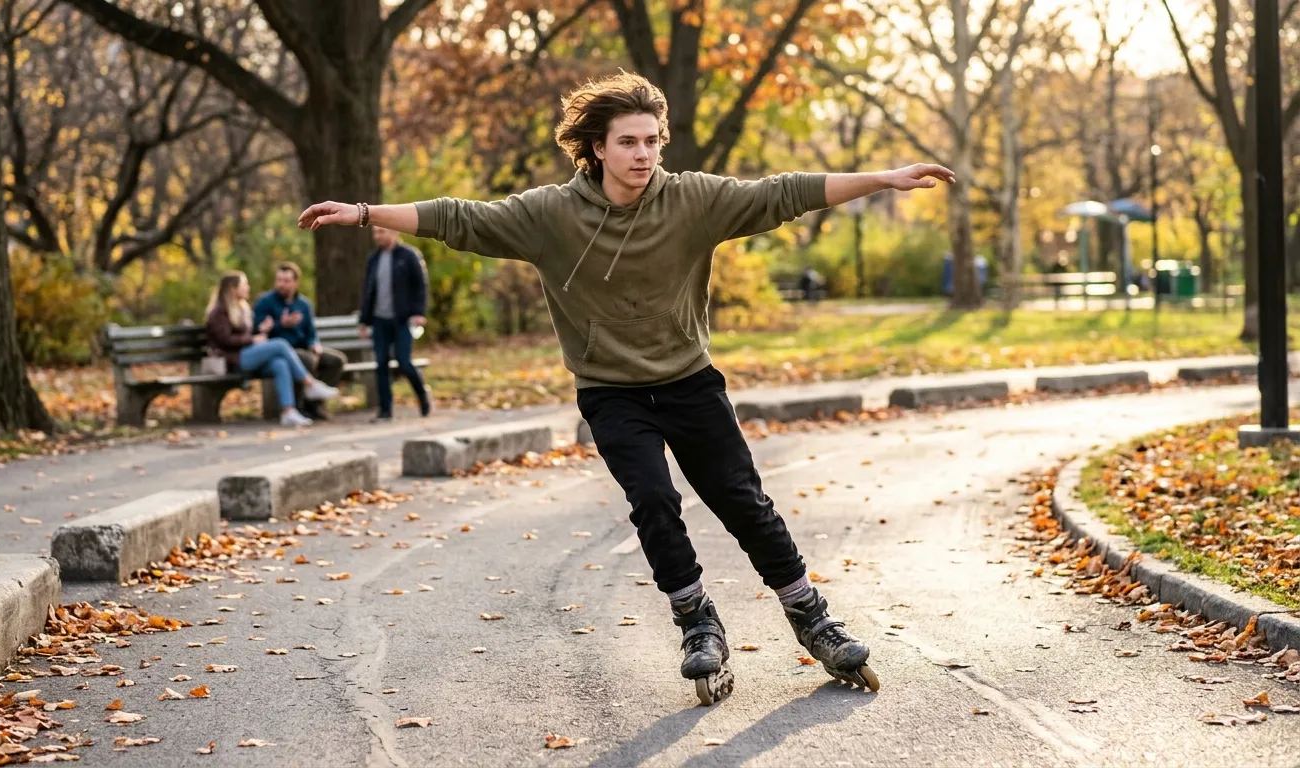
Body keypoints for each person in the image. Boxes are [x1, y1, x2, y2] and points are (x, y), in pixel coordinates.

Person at [298, 72, 953, 702]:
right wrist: (362, 214)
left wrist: (882, 180)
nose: (644, 155)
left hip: (689, 382)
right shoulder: (550, 215)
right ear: (596, 149)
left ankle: (811, 616)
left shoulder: (692, 199)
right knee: (653, 500)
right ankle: (697, 620)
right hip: (611, 392)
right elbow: (458, 218)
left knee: (741, 500)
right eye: (629, 142)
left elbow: (782, 192)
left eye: (652, 141)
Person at [205, 271, 339, 427]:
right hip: (233, 360)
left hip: (246, 356)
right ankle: (310, 384)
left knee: (279, 364)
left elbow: (249, 333)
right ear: (233, 289)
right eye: (244, 284)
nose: (248, 287)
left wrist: (262, 329)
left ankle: (288, 411)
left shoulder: (242, 309)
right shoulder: (219, 312)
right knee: (280, 344)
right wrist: (253, 339)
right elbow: (225, 340)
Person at [252, 262, 347, 420]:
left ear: (296, 282)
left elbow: (311, 331)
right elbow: (257, 329)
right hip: (281, 350)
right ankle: (298, 406)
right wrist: (280, 324)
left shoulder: (304, 304)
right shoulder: (265, 302)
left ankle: (315, 405)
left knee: (336, 360)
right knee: (307, 360)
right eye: (279, 280)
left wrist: (314, 343)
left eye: (286, 281)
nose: (282, 284)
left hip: (303, 347)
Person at [357, 226, 431, 421]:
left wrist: (418, 313)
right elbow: (368, 291)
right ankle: (385, 410)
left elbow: (420, 286)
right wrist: (364, 321)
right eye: (375, 232)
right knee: (381, 364)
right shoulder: (373, 258)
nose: (378, 236)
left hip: (402, 319)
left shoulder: (409, 256)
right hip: (379, 320)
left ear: (394, 232)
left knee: (404, 362)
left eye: (382, 231)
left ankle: (422, 395)